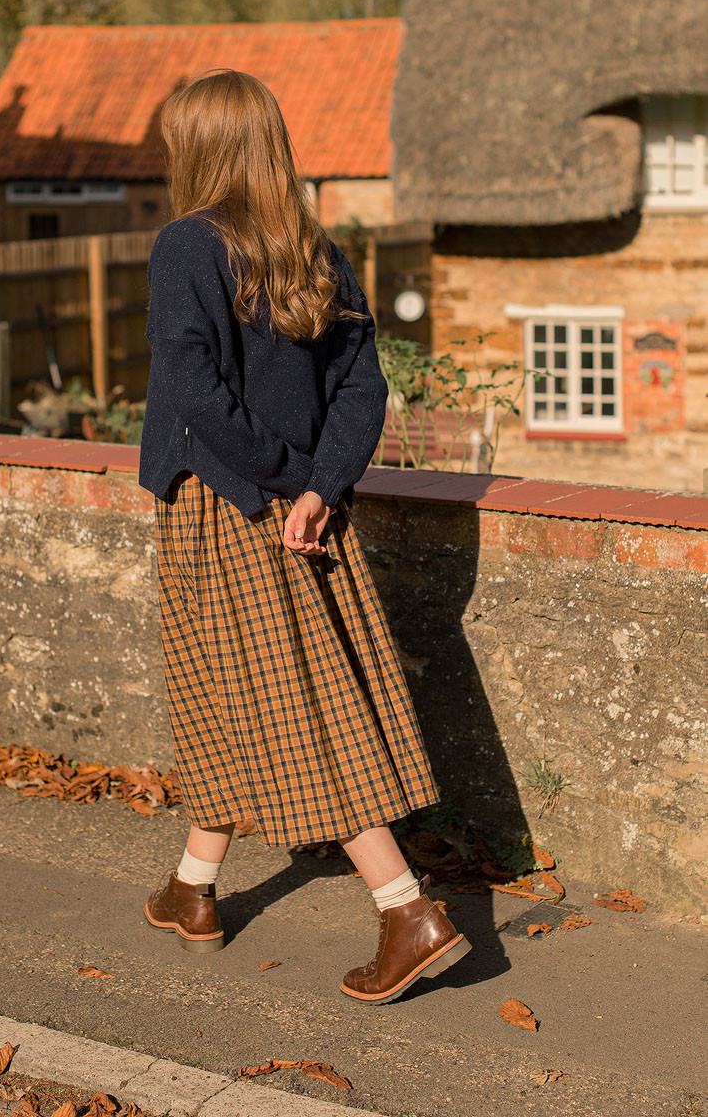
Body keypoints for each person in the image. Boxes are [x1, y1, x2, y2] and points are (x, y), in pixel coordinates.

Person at [137, 68, 471, 1005]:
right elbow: (363, 387)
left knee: (301, 708)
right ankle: (192, 891)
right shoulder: (314, 248)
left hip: (227, 508)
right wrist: (323, 487)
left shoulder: (184, 246)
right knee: (229, 697)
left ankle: (407, 910)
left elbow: (194, 394)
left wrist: (288, 486)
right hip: (303, 510)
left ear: (199, 148)